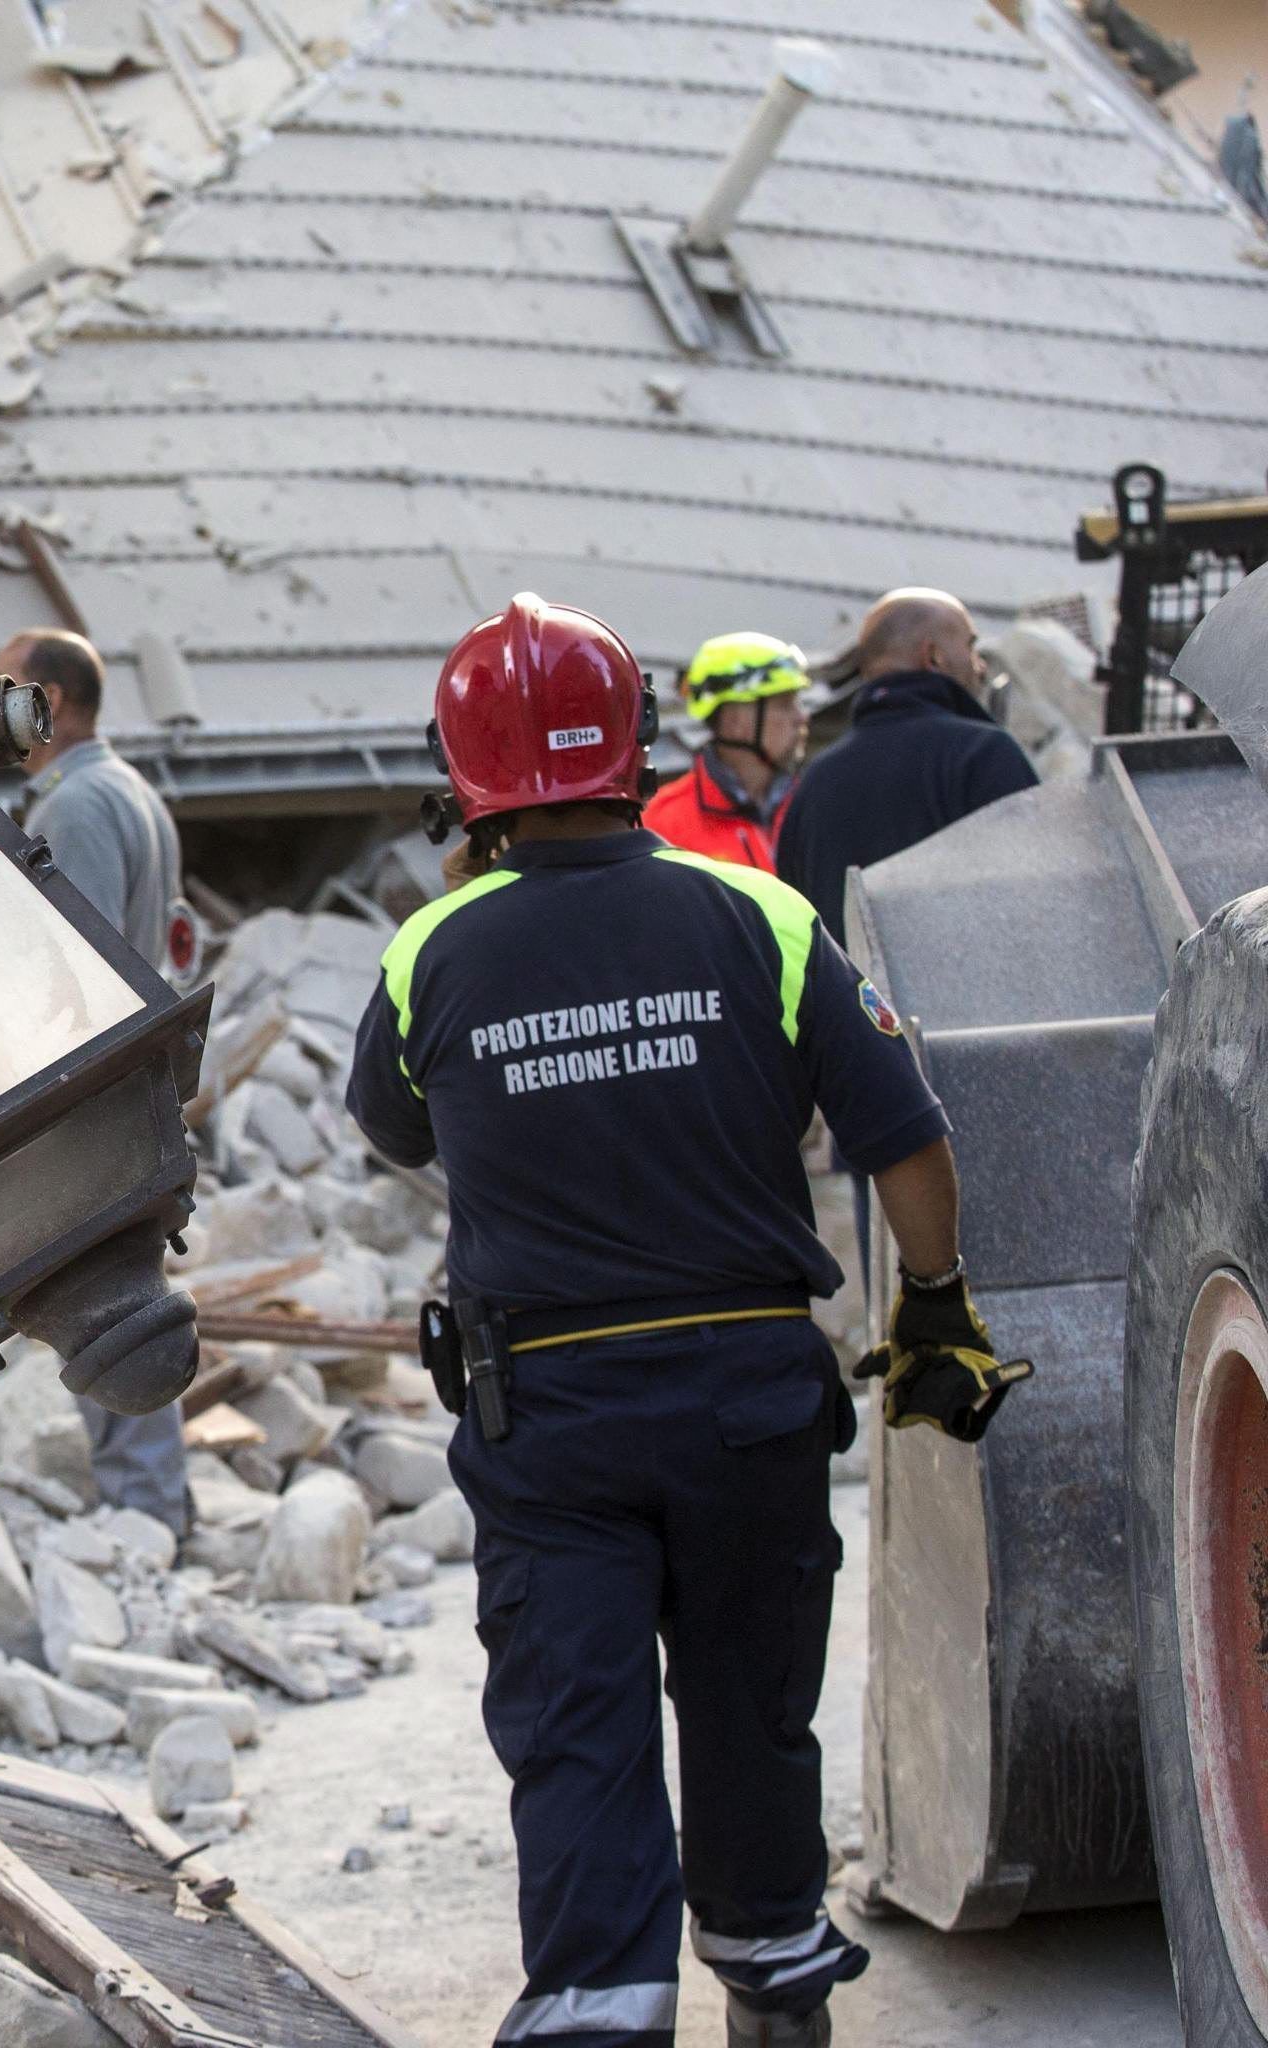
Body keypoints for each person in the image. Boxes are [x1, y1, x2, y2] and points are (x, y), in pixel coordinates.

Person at [345, 594, 1028, 2048]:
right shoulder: (765, 913)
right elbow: (906, 1134)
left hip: (552, 1416)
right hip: (748, 1398)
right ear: (634, 745)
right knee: (749, 1704)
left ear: (465, 776)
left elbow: (397, 1132)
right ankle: (773, 1974)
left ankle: (601, 2005)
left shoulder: (430, 953)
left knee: (578, 1722)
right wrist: (939, 1304)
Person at [0, 627, 192, 1532]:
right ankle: (151, 1506)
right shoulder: (128, 791)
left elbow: (84, 968)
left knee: (102, 1313)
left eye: (5, 688)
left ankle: (143, 1519)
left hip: (92, 1106)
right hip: (125, 1097)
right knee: (124, 1309)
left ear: (54, 702)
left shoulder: (76, 808)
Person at [773, 588, 1037, 932]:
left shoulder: (814, 784)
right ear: (935, 657)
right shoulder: (984, 756)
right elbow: (1037, 899)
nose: (981, 667)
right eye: (971, 648)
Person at [642, 631, 812, 870]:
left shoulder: (817, 804)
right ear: (735, 721)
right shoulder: (662, 825)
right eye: (784, 704)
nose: (801, 717)